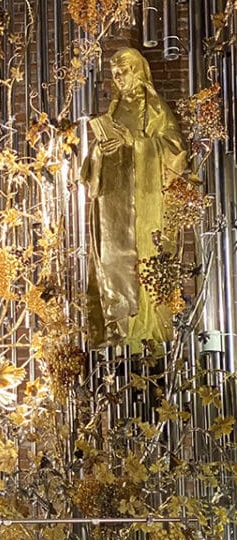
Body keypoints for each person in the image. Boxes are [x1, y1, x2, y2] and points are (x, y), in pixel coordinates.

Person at [81, 47, 188, 348]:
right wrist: (99, 150)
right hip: (112, 205)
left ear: (137, 71)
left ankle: (145, 337)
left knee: (144, 266)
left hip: (142, 205)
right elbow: (89, 168)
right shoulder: (113, 110)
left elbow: (176, 151)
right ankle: (117, 333)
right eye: (114, 74)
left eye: (123, 71)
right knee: (111, 265)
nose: (118, 78)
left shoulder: (154, 108)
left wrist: (135, 143)